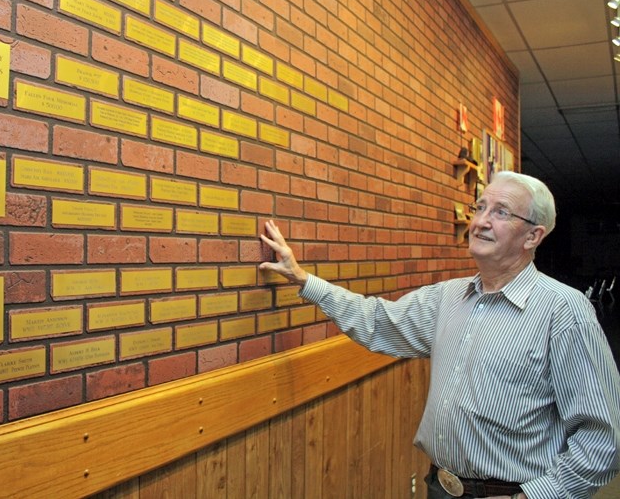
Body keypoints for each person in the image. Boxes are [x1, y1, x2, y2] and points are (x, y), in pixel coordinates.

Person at [259, 171, 620, 499]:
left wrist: (536, 496)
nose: (480, 222)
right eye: (480, 207)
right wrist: (305, 280)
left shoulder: (564, 311)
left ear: (533, 236)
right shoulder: (448, 297)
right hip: (441, 488)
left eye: (500, 212)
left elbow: (604, 437)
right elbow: (377, 321)